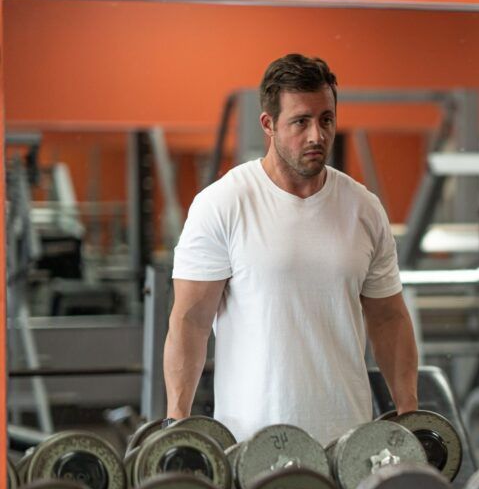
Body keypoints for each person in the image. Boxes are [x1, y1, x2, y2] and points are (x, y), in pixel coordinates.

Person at [165, 54, 418, 443]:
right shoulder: (224, 203)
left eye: (326, 119)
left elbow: (389, 320)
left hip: (348, 442)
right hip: (252, 442)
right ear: (269, 124)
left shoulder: (363, 208)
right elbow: (191, 322)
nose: (317, 135)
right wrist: (177, 424)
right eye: (301, 122)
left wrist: (410, 415)